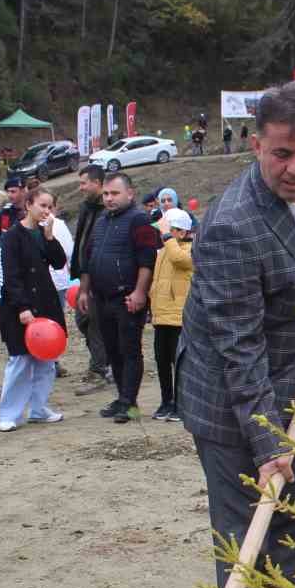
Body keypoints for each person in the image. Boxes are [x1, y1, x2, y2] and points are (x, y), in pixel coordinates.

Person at [177, 81, 295, 588]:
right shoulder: (231, 229)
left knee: (292, 523)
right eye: (281, 154)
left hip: (293, 390)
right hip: (229, 402)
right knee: (249, 537)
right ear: (256, 146)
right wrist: (269, 447)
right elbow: (238, 349)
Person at [76, 172, 158, 423]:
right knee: (112, 349)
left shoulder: (139, 220)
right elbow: (88, 259)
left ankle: (129, 402)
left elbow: (147, 259)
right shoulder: (101, 220)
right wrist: (83, 290)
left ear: (130, 194)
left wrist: (140, 292)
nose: (109, 199)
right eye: (106, 194)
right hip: (101, 297)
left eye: (115, 193)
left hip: (127, 298)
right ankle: (122, 396)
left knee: (129, 350)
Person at [0, 187, 67, 432]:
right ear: (29, 205)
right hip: (19, 306)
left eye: (50, 207)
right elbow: (11, 274)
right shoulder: (12, 236)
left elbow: (59, 262)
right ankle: (8, 413)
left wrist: (49, 237)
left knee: (46, 360)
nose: (46, 211)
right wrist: (22, 306)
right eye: (42, 205)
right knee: (20, 361)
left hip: (46, 303)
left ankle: (39, 408)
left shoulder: (43, 233)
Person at [149, 208, 194, 421]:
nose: (163, 234)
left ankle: (181, 404)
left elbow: (180, 260)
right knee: (162, 360)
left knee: (180, 364)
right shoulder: (165, 251)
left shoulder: (191, 250)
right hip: (161, 317)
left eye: (169, 230)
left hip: (179, 318)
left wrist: (168, 238)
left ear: (182, 232)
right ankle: (166, 401)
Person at [68, 165, 111, 388]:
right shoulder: (87, 209)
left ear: (97, 183)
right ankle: (106, 361)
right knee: (83, 320)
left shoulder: (107, 211)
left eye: (84, 183)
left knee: (94, 322)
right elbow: (83, 243)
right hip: (84, 276)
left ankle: (99, 369)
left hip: (100, 278)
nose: (81, 187)